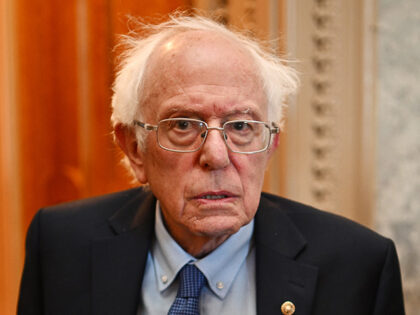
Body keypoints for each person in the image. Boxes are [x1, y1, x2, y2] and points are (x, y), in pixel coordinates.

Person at [18, 13, 405, 315]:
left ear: (270, 146)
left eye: (241, 126)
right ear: (135, 148)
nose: (217, 155)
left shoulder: (358, 266)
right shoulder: (60, 245)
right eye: (183, 125)